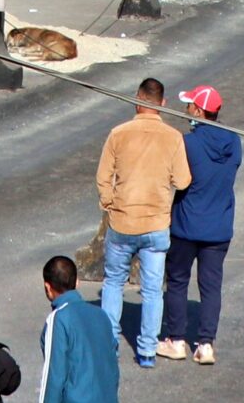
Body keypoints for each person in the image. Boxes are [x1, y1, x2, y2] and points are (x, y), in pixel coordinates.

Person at [96, 77, 191, 368]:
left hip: (123, 221)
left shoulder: (118, 133)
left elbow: (102, 177)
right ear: (162, 104)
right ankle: (147, 351)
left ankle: (109, 344)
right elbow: (183, 179)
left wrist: (111, 202)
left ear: (137, 99)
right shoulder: (173, 137)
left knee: (113, 282)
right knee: (152, 291)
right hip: (156, 224)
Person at [156, 85, 240, 366]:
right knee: (211, 286)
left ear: (200, 110)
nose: (186, 109)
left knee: (178, 281)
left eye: (190, 105)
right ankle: (206, 344)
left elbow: (175, 177)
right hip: (218, 226)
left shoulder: (187, 143)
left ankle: (176, 339)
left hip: (186, 225)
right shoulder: (234, 142)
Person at [38, 255, 118, 403]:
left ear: (47, 287)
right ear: (77, 282)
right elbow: (112, 367)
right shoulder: (101, 315)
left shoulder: (58, 319)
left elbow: (54, 376)